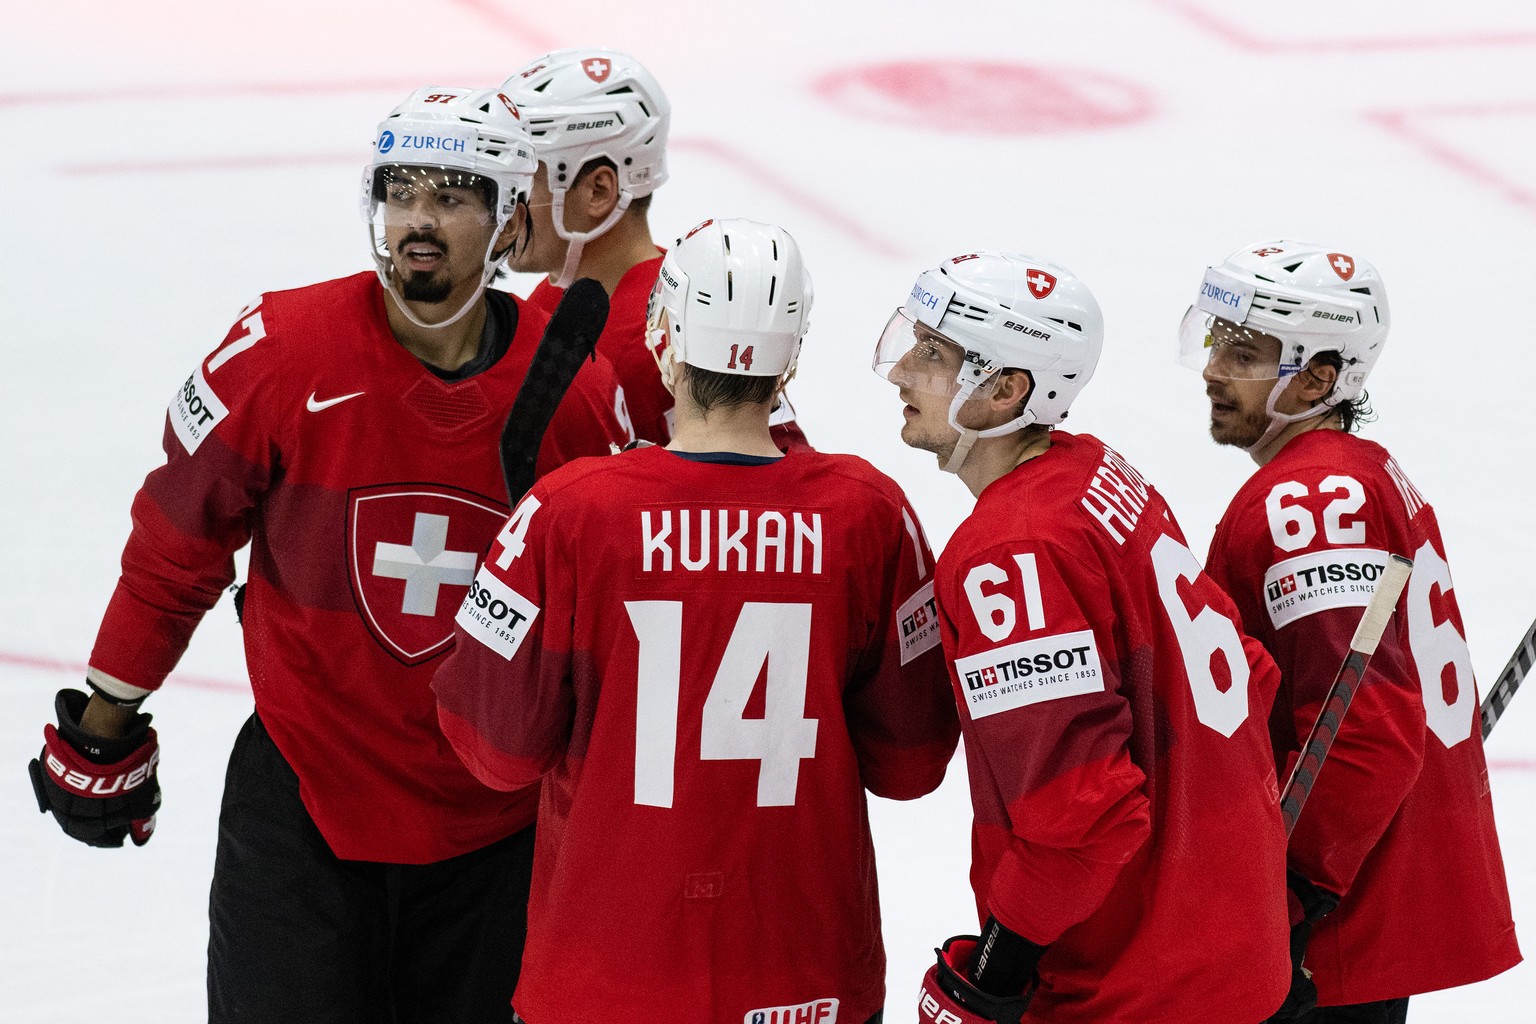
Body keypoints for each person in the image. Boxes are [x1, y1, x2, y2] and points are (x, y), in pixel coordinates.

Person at [28, 86, 629, 1023]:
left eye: (452, 195)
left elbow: (611, 620)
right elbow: (176, 544)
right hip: (304, 812)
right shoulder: (278, 353)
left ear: (509, 215)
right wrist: (106, 715)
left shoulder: (577, 391)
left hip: (499, 833)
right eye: (401, 193)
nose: (418, 221)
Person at [433, 218, 960, 1024]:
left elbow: (497, 749)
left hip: (607, 974)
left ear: (662, 338)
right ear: (790, 359)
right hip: (804, 967)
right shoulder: (869, 514)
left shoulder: (571, 512)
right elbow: (911, 762)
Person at [877, 251, 1292, 1024]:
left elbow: (1086, 821)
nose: (900, 370)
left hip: (1137, 988)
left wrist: (996, 971)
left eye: (933, 354)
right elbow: (1250, 672)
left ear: (1005, 391)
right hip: (1231, 949)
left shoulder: (1010, 553)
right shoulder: (1100, 471)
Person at [1182, 241, 1520, 1023]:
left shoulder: (1315, 498)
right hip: (1355, 892)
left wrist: (1293, 891)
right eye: (1215, 341)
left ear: (1322, 377)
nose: (1211, 369)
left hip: (1331, 918)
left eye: (1245, 352)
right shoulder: (1349, 471)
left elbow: (1363, 724)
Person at [503, 47, 811, 450]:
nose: (506, 201)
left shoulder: (695, 321)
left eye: (525, 178)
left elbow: (777, 482)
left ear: (598, 190)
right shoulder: (555, 298)